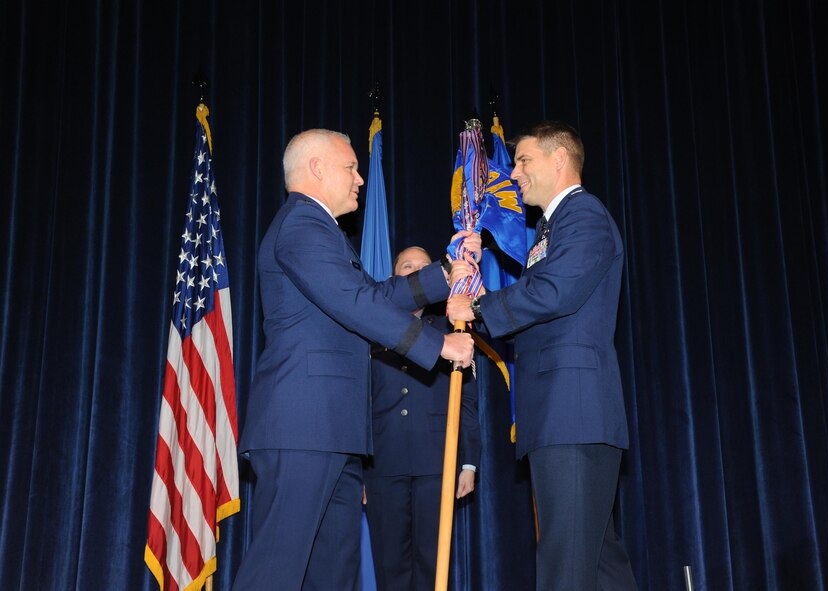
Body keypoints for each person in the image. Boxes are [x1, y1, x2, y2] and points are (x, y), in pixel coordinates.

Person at [234, 129, 477, 590]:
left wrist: (445, 275)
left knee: (333, 575)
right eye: (350, 167)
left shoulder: (322, 232)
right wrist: (438, 345)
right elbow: (354, 303)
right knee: (277, 571)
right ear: (317, 168)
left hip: (335, 432)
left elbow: (374, 294)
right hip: (302, 429)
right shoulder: (302, 225)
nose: (360, 179)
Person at [448, 121, 637, 590]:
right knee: (596, 563)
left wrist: (475, 307)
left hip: (572, 410)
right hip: (561, 412)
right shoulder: (553, 228)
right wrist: (478, 287)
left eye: (524, 160)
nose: (513, 173)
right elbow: (539, 306)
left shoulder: (584, 215)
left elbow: (554, 292)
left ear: (559, 160)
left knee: (565, 566)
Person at [363, 246, 481, 591]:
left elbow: (468, 401)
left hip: (437, 463)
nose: (415, 272)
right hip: (382, 465)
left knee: (434, 565)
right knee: (390, 567)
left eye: (423, 267)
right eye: (407, 266)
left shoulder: (451, 326)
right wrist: (357, 470)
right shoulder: (370, 329)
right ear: (393, 278)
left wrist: (469, 464)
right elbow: (358, 403)